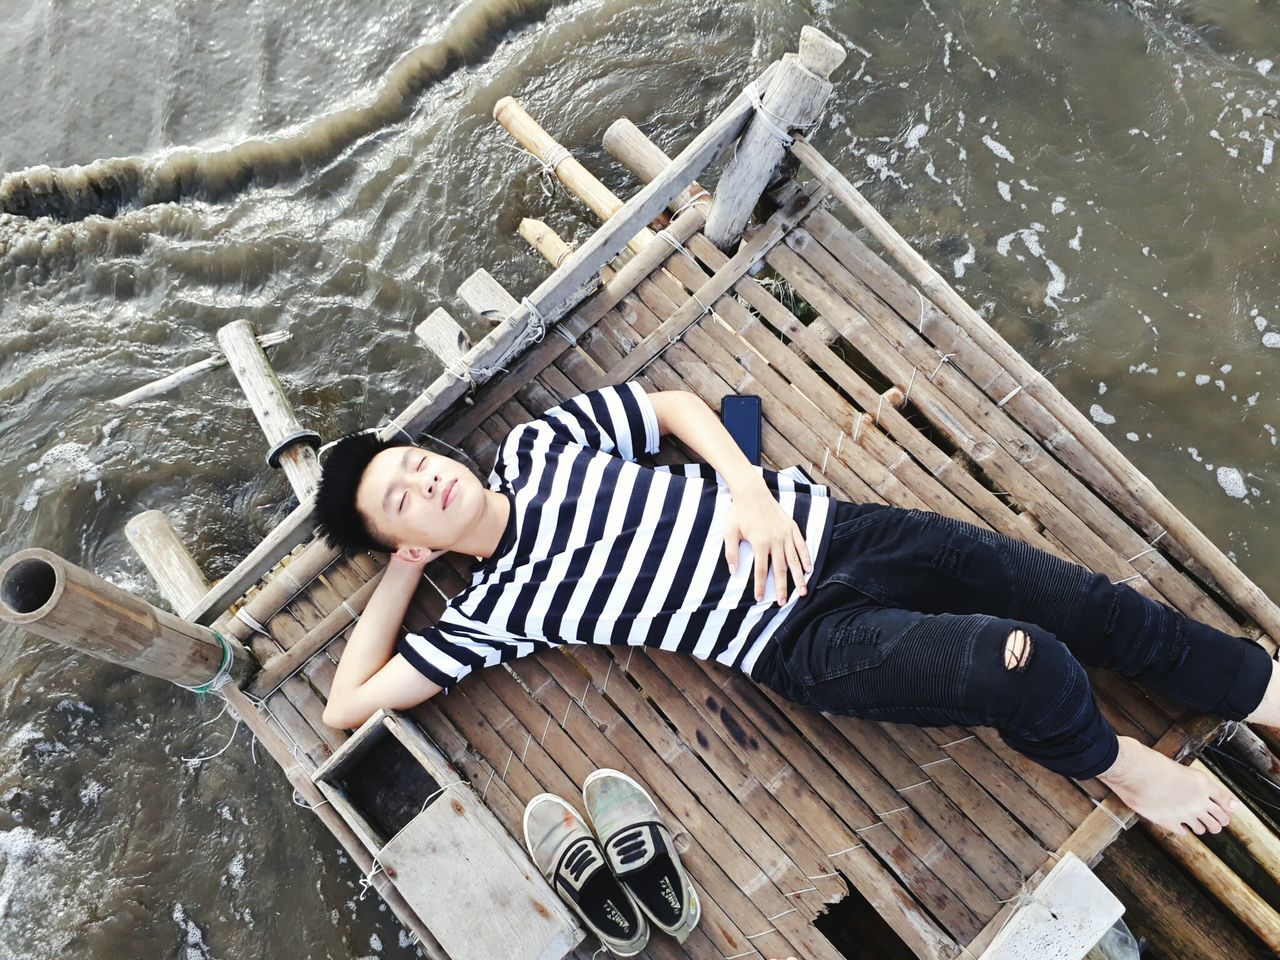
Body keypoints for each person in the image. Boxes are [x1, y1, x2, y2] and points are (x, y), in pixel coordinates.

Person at [315, 380, 1280, 839]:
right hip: (803, 637)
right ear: (414, 538)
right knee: (1021, 658)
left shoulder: (536, 447)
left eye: (412, 465)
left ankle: (1260, 687)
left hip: (844, 533)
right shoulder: (494, 609)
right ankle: (1117, 765)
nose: (425, 483)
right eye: (400, 501)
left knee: (1090, 604)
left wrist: (743, 485)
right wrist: (400, 572)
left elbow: (671, 408)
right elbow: (343, 706)